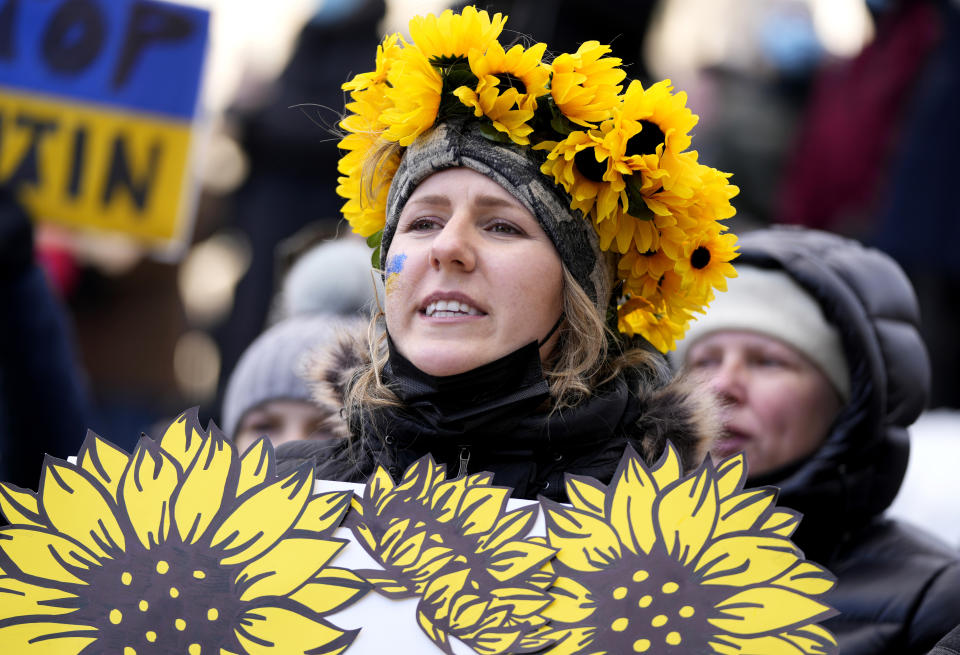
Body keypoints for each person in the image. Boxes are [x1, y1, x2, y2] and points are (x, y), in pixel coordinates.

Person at [277, 5, 741, 502]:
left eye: (501, 226)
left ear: (579, 291)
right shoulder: (274, 501)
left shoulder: (667, 535)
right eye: (423, 222)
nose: (448, 247)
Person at [672, 225, 960, 655]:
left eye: (768, 361)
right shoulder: (616, 550)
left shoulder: (935, 601)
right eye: (704, 359)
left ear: (849, 402)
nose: (722, 385)